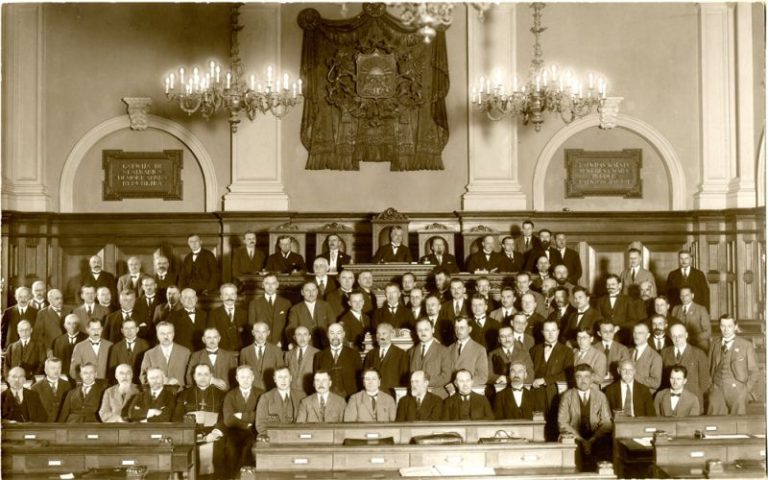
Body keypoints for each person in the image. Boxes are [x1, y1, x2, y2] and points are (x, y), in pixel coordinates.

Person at [173, 363, 227, 476]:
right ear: (194, 376)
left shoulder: (222, 395)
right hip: (190, 433)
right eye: (199, 374)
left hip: (213, 433)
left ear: (211, 376)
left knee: (219, 454)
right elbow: (177, 417)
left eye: (206, 374)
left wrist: (215, 433)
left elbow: (225, 417)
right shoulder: (183, 394)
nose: (203, 377)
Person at [557, 364, 613, 471]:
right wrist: (581, 440)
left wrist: (592, 440)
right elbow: (562, 423)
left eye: (586, 377)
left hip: (596, 436)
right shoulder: (567, 396)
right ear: (575, 378)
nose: (583, 381)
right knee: (571, 448)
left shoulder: (600, 396)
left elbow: (607, 423)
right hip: (574, 437)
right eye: (579, 377)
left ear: (592, 378)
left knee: (605, 444)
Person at [707, 315, 758, 415]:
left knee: (737, 421)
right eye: (723, 326)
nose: (726, 329)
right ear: (719, 326)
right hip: (717, 388)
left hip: (737, 390)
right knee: (714, 419)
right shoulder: (714, 344)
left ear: (735, 326)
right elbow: (709, 367)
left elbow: (754, 372)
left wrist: (745, 390)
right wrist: (711, 386)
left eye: (729, 326)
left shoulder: (746, 345)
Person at [531, 319, 573, 440]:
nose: (550, 334)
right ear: (542, 332)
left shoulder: (567, 351)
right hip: (537, 394)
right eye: (547, 331)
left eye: (553, 330)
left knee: (554, 425)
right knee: (538, 425)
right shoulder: (534, 350)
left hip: (555, 393)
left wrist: (545, 380)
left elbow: (568, 373)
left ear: (558, 332)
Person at [223, 365, 263, 477]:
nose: (245, 380)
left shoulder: (261, 394)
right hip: (235, 432)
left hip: (255, 431)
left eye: (248, 377)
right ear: (237, 378)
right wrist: (246, 425)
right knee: (231, 451)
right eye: (242, 377)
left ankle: (248, 477)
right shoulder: (230, 395)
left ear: (253, 377)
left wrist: (241, 415)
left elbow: (261, 416)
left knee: (249, 449)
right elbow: (228, 420)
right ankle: (234, 477)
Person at [660, 323, 710, 407]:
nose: (677, 339)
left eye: (680, 336)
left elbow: (704, 381)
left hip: (693, 401)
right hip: (671, 401)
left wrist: (695, 395)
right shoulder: (664, 353)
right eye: (674, 336)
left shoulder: (699, 353)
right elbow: (663, 380)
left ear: (686, 335)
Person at [313, 323, 361, 399]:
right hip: (327, 398)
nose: (335, 337)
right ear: (328, 335)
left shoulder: (354, 354)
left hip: (350, 397)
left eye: (338, 333)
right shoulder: (319, 356)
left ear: (343, 334)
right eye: (332, 333)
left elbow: (360, 379)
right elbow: (316, 380)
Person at [408, 318, 452, 399]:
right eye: (420, 330)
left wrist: (424, 382)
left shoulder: (444, 351)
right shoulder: (411, 352)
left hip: (437, 396)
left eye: (426, 329)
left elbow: (446, 376)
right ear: (416, 332)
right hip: (416, 397)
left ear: (433, 330)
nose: (423, 333)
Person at [362, 322, 409, 396]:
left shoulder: (401, 354)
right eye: (378, 334)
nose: (380, 337)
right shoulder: (370, 354)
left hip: (392, 396)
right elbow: (365, 377)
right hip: (372, 395)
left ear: (391, 334)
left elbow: (404, 381)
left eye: (384, 333)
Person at [140, 321, 191, 387]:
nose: (166, 336)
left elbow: (190, 376)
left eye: (169, 333)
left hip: (181, 392)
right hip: (158, 391)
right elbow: (143, 377)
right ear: (157, 335)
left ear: (173, 334)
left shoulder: (185, 352)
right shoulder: (149, 354)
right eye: (162, 333)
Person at [255, 367, 305, 433]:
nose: (283, 381)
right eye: (280, 377)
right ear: (275, 379)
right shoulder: (265, 398)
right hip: (274, 437)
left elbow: (307, 421)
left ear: (290, 378)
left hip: (296, 435)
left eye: (285, 377)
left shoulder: (301, 396)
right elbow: (260, 425)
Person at [596, 275, 644, 343]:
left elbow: (633, 321)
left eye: (613, 284)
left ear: (619, 285)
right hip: (605, 334)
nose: (610, 287)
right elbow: (598, 319)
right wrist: (606, 328)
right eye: (608, 284)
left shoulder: (628, 300)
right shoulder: (601, 300)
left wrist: (619, 327)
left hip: (623, 335)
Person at [287, 281, 335, 348]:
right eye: (307, 290)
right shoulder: (295, 309)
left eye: (313, 290)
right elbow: (291, 328)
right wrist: (293, 343)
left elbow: (333, 325)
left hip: (326, 345)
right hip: (305, 346)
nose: (311, 293)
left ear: (317, 292)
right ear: (302, 292)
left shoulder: (326, 306)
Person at [239, 322, 284, 391]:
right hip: (251, 390)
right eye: (258, 332)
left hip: (270, 390)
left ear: (268, 333)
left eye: (264, 332)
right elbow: (241, 374)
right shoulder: (245, 351)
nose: (261, 335)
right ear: (253, 333)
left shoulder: (276, 350)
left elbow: (281, 372)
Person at [248, 274, 291, 346]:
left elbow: (288, 325)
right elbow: (252, 326)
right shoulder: (254, 304)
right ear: (263, 285)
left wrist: (282, 342)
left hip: (280, 344)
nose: (270, 286)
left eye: (273, 283)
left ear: (277, 285)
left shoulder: (286, 303)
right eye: (267, 283)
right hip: (261, 344)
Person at [448, 317, 488, 390]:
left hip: (470, 390)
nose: (458, 331)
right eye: (456, 328)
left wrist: (459, 384)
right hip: (450, 391)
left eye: (462, 328)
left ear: (469, 329)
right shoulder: (449, 348)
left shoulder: (479, 349)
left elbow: (482, 377)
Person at [206, 283, 248, 353]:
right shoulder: (213, 314)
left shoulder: (244, 313)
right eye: (226, 294)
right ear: (221, 297)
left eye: (232, 294)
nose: (229, 297)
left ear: (236, 296)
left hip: (241, 352)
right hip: (222, 352)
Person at [107, 317, 150, 384]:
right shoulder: (116, 347)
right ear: (122, 331)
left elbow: (147, 369)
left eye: (132, 328)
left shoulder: (145, 345)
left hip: (139, 384)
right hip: (121, 383)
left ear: (137, 329)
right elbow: (112, 371)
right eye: (126, 328)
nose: (129, 331)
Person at [31, 357, 73, 422]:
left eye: (59, 368)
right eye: (53, 368)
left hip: (63, 423)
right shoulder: (36, 387)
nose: (56, 371)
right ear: (46, 370)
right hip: (44, 424)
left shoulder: (68, 385)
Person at [670, 287, 711, 352]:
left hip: (698, 344)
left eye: (687, 295)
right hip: (679, 342)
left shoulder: (701, 309)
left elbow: (708, 332)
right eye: (682, 296)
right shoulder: (675, 309)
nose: (684, 298)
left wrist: (691, 339)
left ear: (692, 295)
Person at [593, 319, 630, 387]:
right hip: (597, 384)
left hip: (616, 384)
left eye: (611, 331)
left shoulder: (622, 349)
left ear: (614, 331)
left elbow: (626, 370)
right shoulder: (593, 348)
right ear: (599, 333)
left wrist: (611, 375)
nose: (608, 334)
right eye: (605, 332)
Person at [628, 323, 662, 393]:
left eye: (640, 333)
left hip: (645, 395)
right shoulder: (627, 352)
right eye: (635, 332)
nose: (636, 335)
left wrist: (633, 375)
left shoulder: (655, 357)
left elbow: (656, 383)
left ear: (648, 335)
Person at [32, 288, 68, 354]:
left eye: (61, 298)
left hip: (67, 348)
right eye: (57, 299)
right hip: (50, 350)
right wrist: (46, 349)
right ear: (50, 300)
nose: (60, 301)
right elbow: (38, 336)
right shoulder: (42, 313)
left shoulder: (69, 310)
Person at [285, 326, 319, 395]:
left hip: (309, 393)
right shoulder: (288, 354)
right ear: (294, 337)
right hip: (292, 393)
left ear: (309, 337)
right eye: (299, 334)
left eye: (305, 334)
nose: (302, 338)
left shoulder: (317, 353)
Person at [133, 276, 160, 342]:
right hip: (141, 335)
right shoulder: (136, 301)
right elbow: (134, 316)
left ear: (155, 285)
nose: (149, 287)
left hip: (157, 335)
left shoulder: (162, 300)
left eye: (151, 285)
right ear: (142, 287)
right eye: (146, 285)